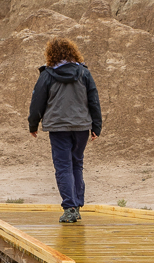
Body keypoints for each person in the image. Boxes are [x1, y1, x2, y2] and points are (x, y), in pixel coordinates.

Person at [28, 37, 102, 223]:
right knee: (76, 164)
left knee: (63, 167)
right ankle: (76, 206)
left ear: (50, 54)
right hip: (81, 127)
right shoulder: (84, 73)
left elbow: (37, 101)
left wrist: (33, 124)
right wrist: (96, 126)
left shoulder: (47, 75)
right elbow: (93, 99)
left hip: (58, 127)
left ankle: (69, 208)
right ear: (73, 52)